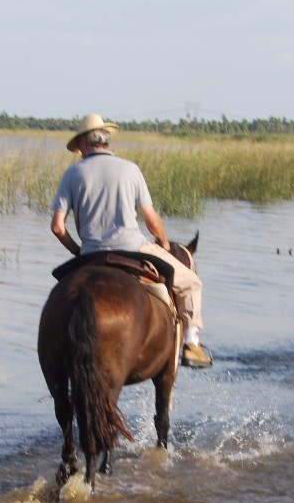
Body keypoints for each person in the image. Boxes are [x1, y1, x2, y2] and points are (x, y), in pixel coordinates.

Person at [50, 113, 213, 368]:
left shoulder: (72, 174)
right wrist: (165, 243)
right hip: (133, 247)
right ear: (105, 140)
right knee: (192, 283)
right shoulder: (130, 169)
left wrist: (79, 252)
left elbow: (58, 227)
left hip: (91, 252)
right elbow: (151, 220)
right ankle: (192, 345)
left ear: (83, 143)